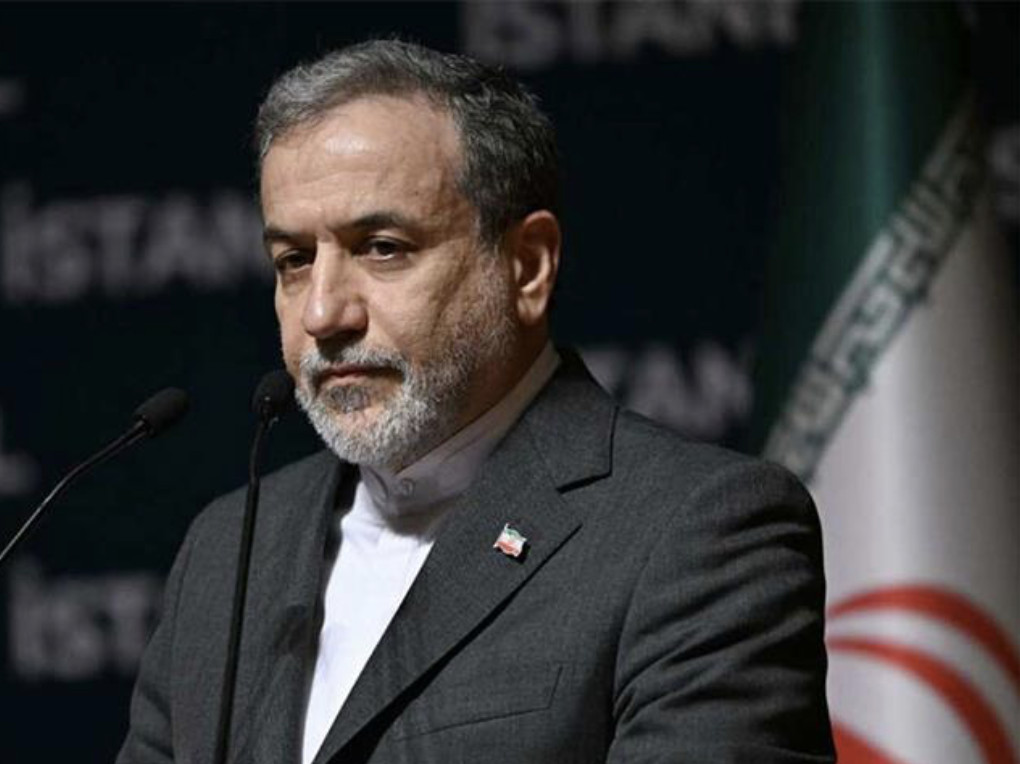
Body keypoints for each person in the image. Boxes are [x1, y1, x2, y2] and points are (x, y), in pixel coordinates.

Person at [118, 40, 834, 764]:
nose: (323, 313)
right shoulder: (228, 548)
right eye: (295, 261)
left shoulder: (698, 530)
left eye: (383, 247)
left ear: (527, 266)